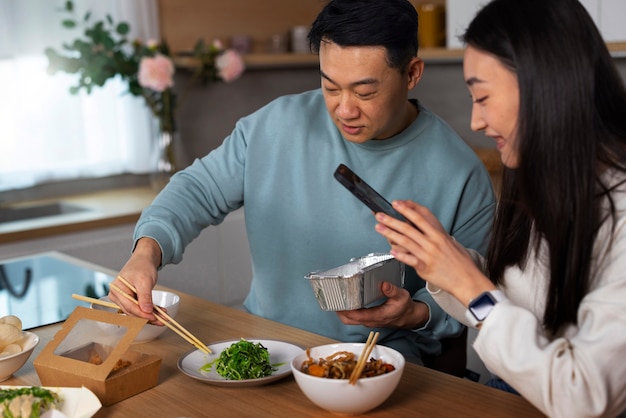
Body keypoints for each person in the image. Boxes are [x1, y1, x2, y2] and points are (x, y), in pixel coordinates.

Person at [109, 0, 496, 366]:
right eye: (330, 87)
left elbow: (474, 303)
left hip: (372, 363)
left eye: (365, 92)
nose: (344, 109)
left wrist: (414, 313)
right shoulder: (274, 125)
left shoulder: (460, 174)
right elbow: (197, 190)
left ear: (412, 73)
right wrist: (145, 254)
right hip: (263, 347)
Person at [373, 0, 626, 416]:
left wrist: (472, 287)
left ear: (544, 84)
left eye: (483, 96)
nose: (475, 121)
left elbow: (583, 397)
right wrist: (443, 261)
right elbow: (509, 299)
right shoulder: (544, 181)